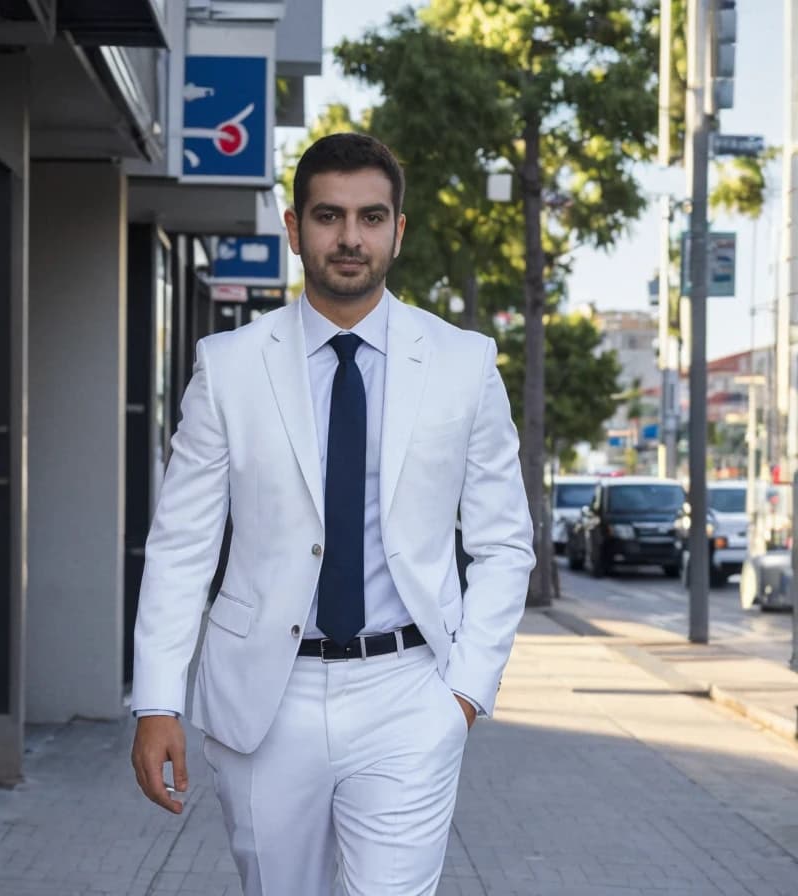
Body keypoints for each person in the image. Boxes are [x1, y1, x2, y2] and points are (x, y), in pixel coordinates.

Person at [130, 132, 534, 895]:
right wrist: (157, 701)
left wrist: (465, 694)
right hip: (263, 702)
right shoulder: (228, 368)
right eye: (329, 216)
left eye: (372, 217)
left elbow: (504, 543)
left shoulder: (463, 364)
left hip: (412, 692)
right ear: (294, 228)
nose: (351, 237)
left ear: (397, 231)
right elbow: (182, 547)